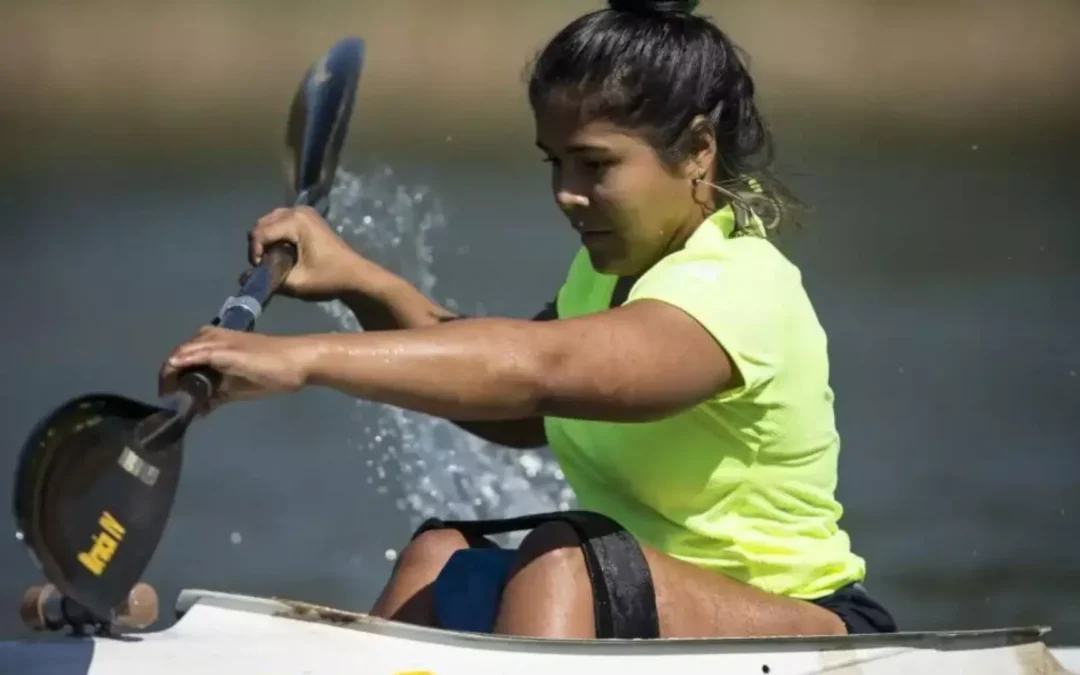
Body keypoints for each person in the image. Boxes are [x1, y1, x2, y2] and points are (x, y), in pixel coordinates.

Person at [160, 0, 897, 640]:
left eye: (594, 165)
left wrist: (303, 359)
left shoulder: (739, 286)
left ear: (698, 151)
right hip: (632, 601)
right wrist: (356, 280)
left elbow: (536, 370)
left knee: (560, 563)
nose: (566, 195)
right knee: (441, 558)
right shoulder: (604, 277)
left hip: (804, 622)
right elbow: (509, 400)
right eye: (554, 164)